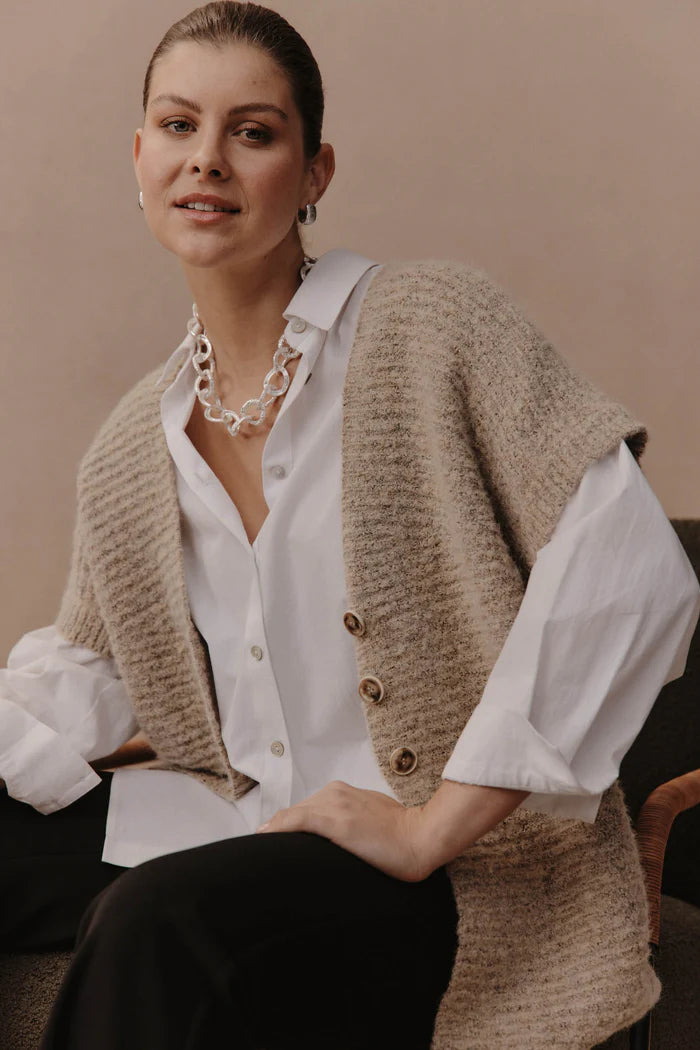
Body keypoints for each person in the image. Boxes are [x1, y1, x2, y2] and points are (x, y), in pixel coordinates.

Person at [1, 3, 698, 1048]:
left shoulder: (433, 327)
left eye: (252, 131)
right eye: (179, 125)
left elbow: (631, 567)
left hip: (440, 872)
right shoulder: (134, 444)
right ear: (140, 158)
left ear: (313, 172)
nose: (207, 159)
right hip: (241, 823)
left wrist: (432, 826)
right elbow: (93, 666)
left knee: (159, 923)